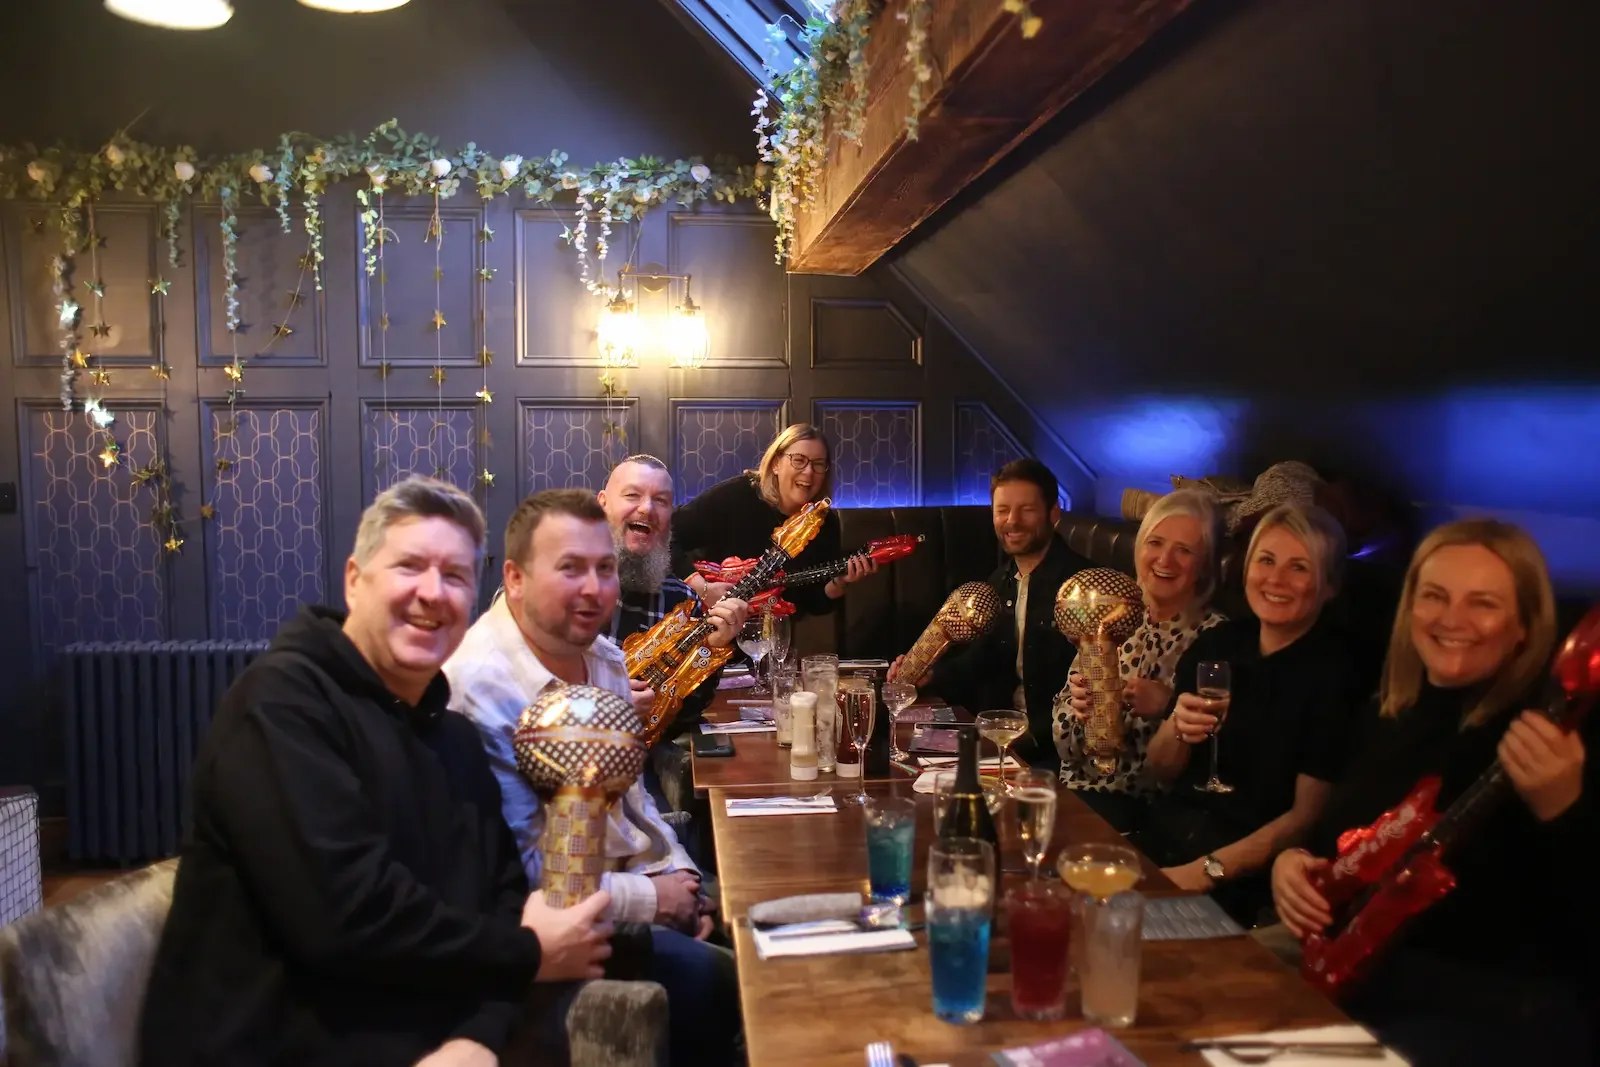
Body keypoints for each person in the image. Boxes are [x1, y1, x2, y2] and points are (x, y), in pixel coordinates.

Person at [139, 475, 613, 1067]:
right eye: (410, 566)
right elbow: (344, 921)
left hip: (434, 1038)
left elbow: (501, 900)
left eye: (456, 576)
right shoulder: (281, 706)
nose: (433, 593)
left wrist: (477, 1038)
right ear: (354, 582)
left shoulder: (453, 737)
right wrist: (524, 954)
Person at [1268, 519, 1596, 1066]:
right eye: (1435, 597)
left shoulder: (1560, 735)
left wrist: (1566, 810)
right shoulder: (1388, 712)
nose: (1452, 620)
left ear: (1524, 625)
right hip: (1355, 974)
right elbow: (1341, 846)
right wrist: (1293, 867)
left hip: (1492, 1011)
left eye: (1483, 603)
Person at [443, 488, 742, 1067]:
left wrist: (676, 868)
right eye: (570, 569)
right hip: (549, 936)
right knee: (719, 979)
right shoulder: (481, 690)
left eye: (604, 568)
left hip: (632, 878)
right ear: (517, 577)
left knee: (764, 927)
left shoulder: (603, 658)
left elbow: (634, 801)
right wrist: (653, 899)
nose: (593, 588)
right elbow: (522, 876)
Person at [1134, 504, 1362, 924]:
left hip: (1239, 884)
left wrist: (1205, 872)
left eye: (1299, 568)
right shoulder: (1218, 645)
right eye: (1267, 561)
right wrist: (1178, 731)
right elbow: (1160, 770)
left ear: (1328, 586)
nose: (1276, 580)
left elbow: (1304, 818)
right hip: (1160, 841)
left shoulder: (1336, 675)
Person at [890, 459, 1093, 770]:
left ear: (1053, 514)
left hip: (1055, 755)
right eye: (1002, 510)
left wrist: (1018, 743)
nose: (1012, 521)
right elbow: (980, 662)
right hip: (999, 743)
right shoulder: (999, 580)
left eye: (1026, 509)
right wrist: (930, 676)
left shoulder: (1083, 588)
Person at [1054, 487, 1227, 826]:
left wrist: (1168, 705)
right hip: (1072, 786)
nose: (1165, 561)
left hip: (1140, 809)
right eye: (1155, 543)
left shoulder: (1216, 638)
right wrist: (1080, 714)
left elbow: (1200, 764)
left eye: (1185, 551)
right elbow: (1064, 748)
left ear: (1205, 564)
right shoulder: (1110, 612)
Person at [598, 453, 750, 735]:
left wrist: (712, 646)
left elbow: (686, 714)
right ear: (602, 504)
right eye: (632, 495)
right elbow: (503, 693)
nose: (647, 509)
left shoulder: (681, 601)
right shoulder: (546, 583)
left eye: (661, 501)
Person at [669, 422, 878, 616]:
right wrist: (702, 588)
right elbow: (664, 536)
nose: (809, 471)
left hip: (775, 637)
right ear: (776, 464)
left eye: (818, 464)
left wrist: (839, 583)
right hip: (708, 625)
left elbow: (809, 604)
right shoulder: (736, 495)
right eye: (799, 460)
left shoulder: (825, 523)